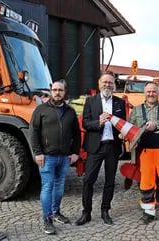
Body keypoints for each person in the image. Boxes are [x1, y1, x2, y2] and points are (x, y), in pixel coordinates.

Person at [75, 71, 126, 226]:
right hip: (95, 146)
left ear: (114, 85)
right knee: (88, 180)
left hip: (113, 146)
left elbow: (122, 123)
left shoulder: (119, 103)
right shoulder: (91, 101)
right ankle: (86, 212)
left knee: (110, 181)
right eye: (105, 82)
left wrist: (123, 133)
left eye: (110, 82)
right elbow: (85, 124)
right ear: (99, 84)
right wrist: (98, 122)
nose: (107, 85)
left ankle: (105, 211)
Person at [30, 79, 81, 235]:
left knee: (59, 187)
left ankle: (56, 212)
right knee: (47, 186)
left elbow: (77, 134)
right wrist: (38, 153)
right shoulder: (41, 110)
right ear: (51, 91)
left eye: (61, 90)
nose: (57, 93)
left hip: (64, 157)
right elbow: (34, 132)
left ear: (65, 92)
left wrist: (75, 152)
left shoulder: (70, 111)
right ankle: (47, 219)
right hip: (47, 157)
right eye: (55, 90)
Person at [128, 82, 159, 227]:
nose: (151, 94)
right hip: (145, 152)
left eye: (154, 91)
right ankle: (148, 212)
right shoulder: (137, 110)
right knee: (146, 182)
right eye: (149, 92)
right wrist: (124, 134)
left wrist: (156, 125)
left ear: (158, 92)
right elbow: (131, 127)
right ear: (145, 93)